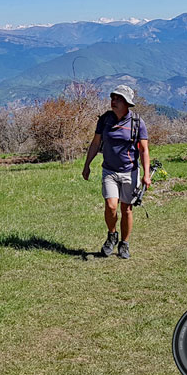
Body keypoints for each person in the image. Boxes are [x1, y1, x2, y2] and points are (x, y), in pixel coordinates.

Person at [82, 85, 150, 259]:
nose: (114, 101)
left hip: (130, 171)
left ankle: (124, 244)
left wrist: (146, 174)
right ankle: (112, 234)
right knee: (111, 206)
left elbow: (143, 150)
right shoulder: (105, 120)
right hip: (109, 171)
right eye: (113, 98)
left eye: (118, 99)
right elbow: (96, 143)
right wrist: (87, 164)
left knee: (126, 209)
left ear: (127, 103)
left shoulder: (137, 122)